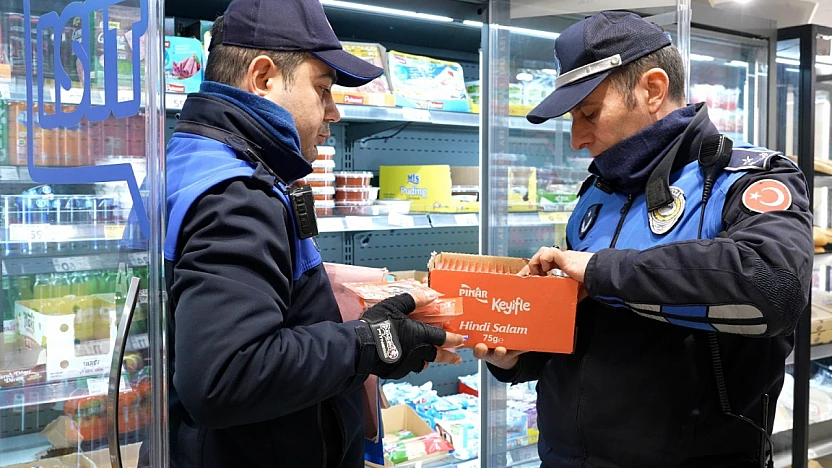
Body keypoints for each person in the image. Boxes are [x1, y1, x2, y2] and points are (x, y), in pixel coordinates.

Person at [475, 11, 812, 468]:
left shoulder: (742, 179)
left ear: (652, 89)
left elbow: (775, 286)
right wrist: (518, 355)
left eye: (589, 114)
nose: (577, 139)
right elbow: (583, 333)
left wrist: (599, 269)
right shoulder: (597, 191)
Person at [159, 0, 464, 466]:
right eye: (322, 89)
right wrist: (369, 342)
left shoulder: (193, 156)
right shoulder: (238, 196)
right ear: (263, 78)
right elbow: (224, 375)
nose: (333, 112)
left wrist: (327, 290)